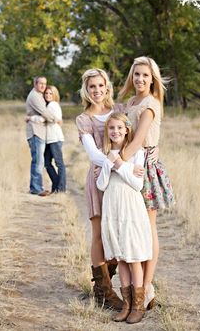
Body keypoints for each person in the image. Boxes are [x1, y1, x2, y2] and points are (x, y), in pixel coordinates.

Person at [118, 56, 175, 309]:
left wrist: (113, 163)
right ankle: (134, 283)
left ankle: (147, 286)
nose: (140, 79)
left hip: (144, 170)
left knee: (148, 227)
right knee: (133, 227)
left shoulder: (151, 104)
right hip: (130, 166)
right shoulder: (131, 102)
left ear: (153, 79)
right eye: (137, 74)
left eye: (145, 75)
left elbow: (140, 139)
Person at [76, 69, 125, 310]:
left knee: (117, 231)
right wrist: (117, 161)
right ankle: (103, 291)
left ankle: (112, 286)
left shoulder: (118, 111)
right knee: (98, 232)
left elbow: (133, 136)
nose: (96, 90)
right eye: (92, 86)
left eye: (100, 85)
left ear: (107, 87)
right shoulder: (84, 119)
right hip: (99, 178)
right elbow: (94, 154)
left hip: (121, 179)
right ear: (87, 90)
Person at [96, 112, 152, 324]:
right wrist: (109, 163)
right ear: (107, 132)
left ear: (127, 129)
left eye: (120, 128)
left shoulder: (136, 154)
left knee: (133, 256)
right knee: (120, 257)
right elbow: (101, 184)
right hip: (113, 208)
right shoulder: (107, 153)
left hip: (130, 208)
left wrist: (120, 164)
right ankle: (126, 304)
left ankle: (138, 305)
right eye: (112, 128)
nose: (116, 132)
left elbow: (137, 184)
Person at [27, 85, 66, 193]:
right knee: (47, 163)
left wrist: (30, 118)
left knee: (59, 164)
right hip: (49, 139)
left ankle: (61, 189)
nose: (48, 95)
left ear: (55, 95)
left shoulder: (52, 105)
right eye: (46, 93)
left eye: (50, 93)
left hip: (55, 139)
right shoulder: (48, 105)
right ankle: (56, 185)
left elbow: (43, 119)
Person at [26, 76, 57, 197]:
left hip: (39, 132)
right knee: (38, 161)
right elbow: (45, 113)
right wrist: (55, 119)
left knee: (39, 160)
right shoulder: (34, 96)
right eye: (41, 84)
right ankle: (36, 189)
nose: (43, 86)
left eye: (45, 84)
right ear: (35, 84)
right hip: (35, 132)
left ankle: (37, 187)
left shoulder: (39, 95)